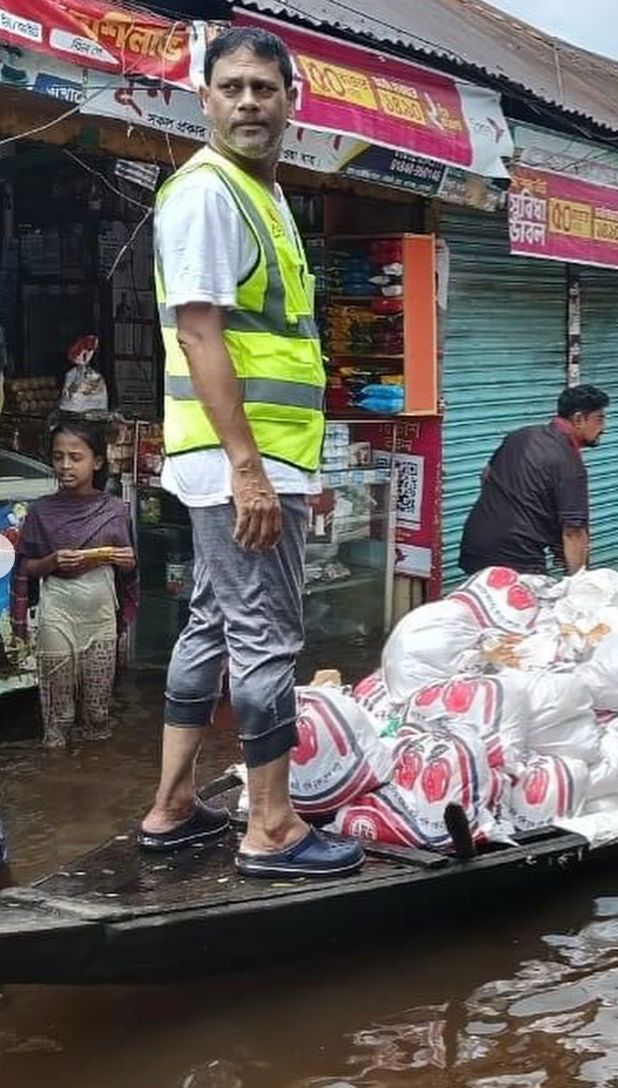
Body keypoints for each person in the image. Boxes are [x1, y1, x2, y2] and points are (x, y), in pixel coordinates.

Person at [138, 27, 364, 879]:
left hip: (256, 458)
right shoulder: (206, 194)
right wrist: (249, 469)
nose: (246, 102)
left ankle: (171, 807)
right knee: (267, 636)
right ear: (204, 99)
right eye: (229, 86)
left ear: (290, 103)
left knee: (212, 622)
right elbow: (200, 334)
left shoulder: (260, 197)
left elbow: (281, 348)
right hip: (236, 460)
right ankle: (271, 825)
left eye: (263, 89)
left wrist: (298, 472)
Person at [12, 419, 137, 748]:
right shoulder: (40, 511)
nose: (65, 465)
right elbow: (26, 566)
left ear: (97, 462)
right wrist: (52, 562)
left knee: (98, 713)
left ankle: (93, 790)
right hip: (58, 614)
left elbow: (129, 566)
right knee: (57, 718)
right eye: (58, 457)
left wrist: (126, 561)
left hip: (101, 617)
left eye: (75, 457)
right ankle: (56, 789)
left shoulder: (114, 510)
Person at [459, 384, 609, 576]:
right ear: (579, 419)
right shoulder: (570, 465)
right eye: (600, 419)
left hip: (476, 543)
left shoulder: (520, 435)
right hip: (517, 558)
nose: (603, 428)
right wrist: (579, 585)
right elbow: (574, 532)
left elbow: (486, 475)